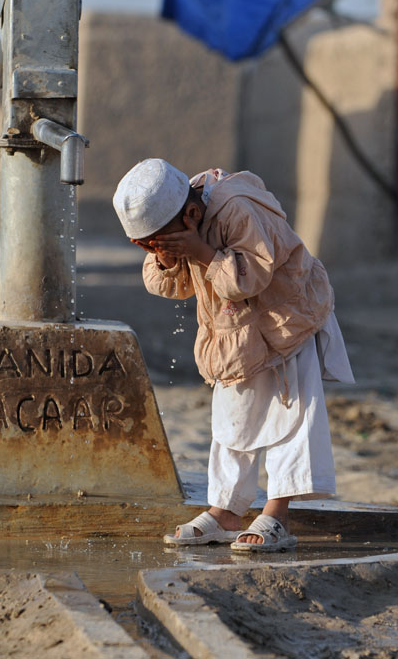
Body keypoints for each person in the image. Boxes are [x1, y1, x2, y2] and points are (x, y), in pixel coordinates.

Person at [112, 159, 354, 552]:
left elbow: (251, 278)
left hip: (285, 322)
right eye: (147, 247)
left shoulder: (239, 210)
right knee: (232, 420)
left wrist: (203, 252)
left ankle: (278, 514)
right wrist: (169, 258)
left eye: (160, 243)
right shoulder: (180, 216)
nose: (155, 251)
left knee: (290, 417)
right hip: (235, 334)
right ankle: (225, 511)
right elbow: (170, 286)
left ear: (191, 214)